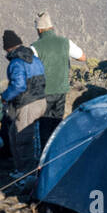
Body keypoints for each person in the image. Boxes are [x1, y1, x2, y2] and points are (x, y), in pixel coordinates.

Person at [33, 11, 86, 145]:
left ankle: (43, 159)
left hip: (43, 93)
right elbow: (82, 57)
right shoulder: (65, 42)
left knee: (44, 126)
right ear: (51, 27)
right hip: (61, 90)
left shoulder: (34, 48)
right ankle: (55, 151)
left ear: (39, 30)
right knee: (56, 124)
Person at [1, 30, 47, 182]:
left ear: (8, 48)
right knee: (22, 134)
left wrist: (5, 97)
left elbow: (19, 86)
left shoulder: (16, 62)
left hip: (27, 104)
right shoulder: (34, 59)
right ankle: (26, 169)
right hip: (41, 101)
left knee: (22, 137)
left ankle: (26, 173)